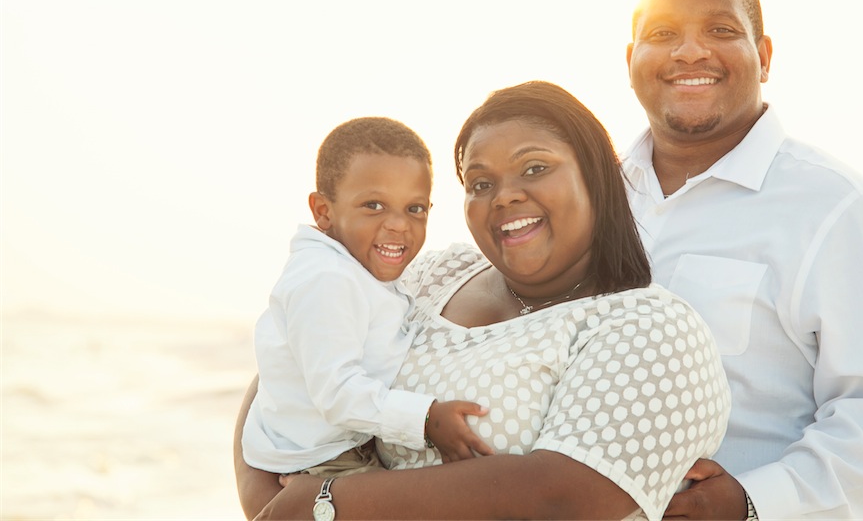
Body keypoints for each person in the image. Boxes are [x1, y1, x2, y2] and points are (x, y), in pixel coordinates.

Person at [234, 81, 732, 521]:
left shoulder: (652, 326)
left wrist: (327, 504)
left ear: (597, 175)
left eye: (534, 168)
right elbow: (290, 366)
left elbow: (563, 498)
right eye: (480, 183)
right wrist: (272, 505)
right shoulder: (433, 275)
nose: (503, 197)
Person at [622, 0, 863, 520]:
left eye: (720, 29)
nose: (689, 50)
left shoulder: (845, 211)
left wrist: (750, 502)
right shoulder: (587, 202)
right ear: (632, 59)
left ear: (764, 57)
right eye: (664, 32)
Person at [241, 117, 493, 484]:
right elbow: (337, 393)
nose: (398, 225)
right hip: (322, 461)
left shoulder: (357, 268)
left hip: (340, 445)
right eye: (374, 205)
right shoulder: (327, 279)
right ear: (323, 211)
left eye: (415, 209)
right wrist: (426, 418)